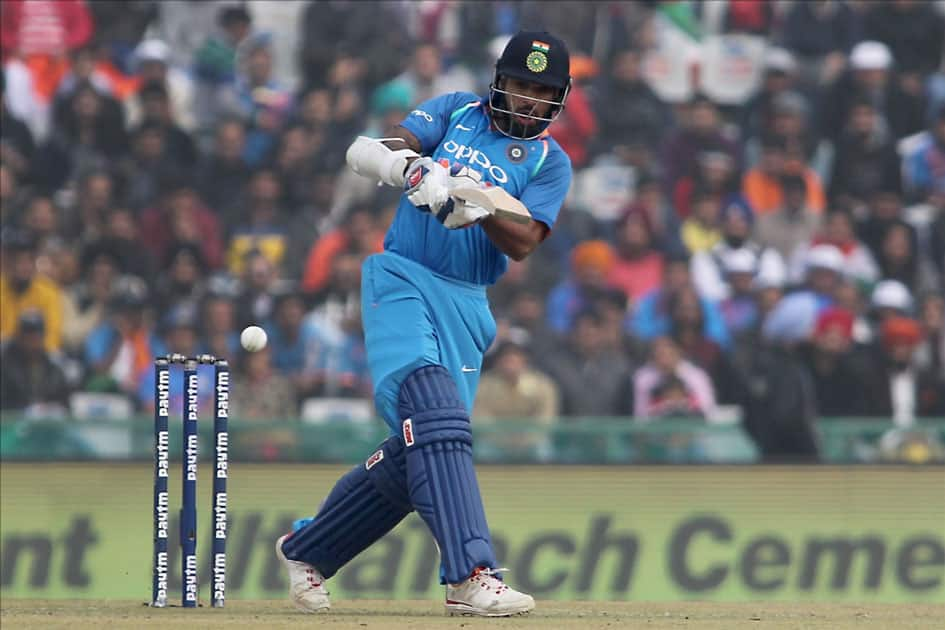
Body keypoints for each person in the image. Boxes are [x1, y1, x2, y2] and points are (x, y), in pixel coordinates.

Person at [275, 31, 573, 617]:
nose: (529, 100)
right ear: (499, 82)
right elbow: (372, 149)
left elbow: (525, 243)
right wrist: (414, 171)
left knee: (420, 453)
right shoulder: (455, 110)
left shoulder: (549, 162)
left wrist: (476, 203)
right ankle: (470, 574)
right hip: (403, 278)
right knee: (434, 416)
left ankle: (305, 547)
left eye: (542, 92)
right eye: (519, 85)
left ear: (558, 98)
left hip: (467, 304)